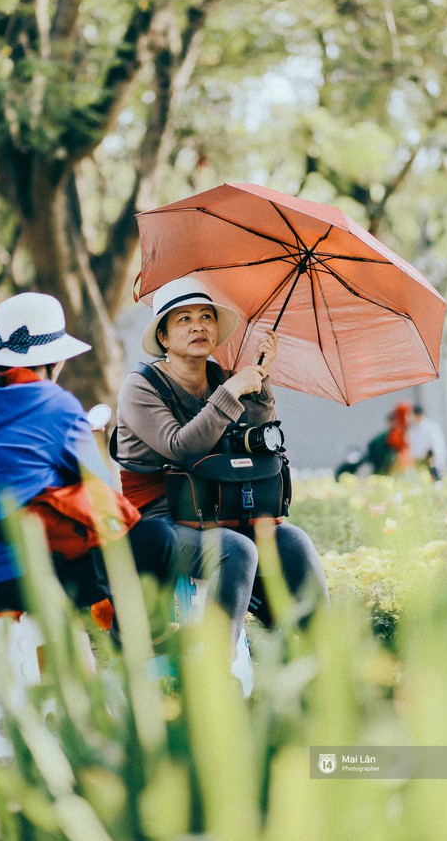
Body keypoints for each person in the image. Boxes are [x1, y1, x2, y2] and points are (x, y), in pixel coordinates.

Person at [0, 292, 178, 642]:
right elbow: (105, 503)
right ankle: (134, 652)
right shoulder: (57, 404)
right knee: (158, 541)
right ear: (55, 361)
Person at [114, 276, 329, 649]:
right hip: (159, 524)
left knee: (293, 541)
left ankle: (326, 666)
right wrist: (230, 392)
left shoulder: (222, 379)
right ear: (163, 337)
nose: (198, 326)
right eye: (183, 319)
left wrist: (259, 382)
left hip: (219, 513)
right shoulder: (141, 387)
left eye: (206, 317)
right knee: (237, 549)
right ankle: (213, 674)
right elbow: (180, 446)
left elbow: (258, 440)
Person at [408, 404, 447, 480]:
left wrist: (437, 461)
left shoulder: (431, 427)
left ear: (418, 415)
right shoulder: (412, 429)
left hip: (431, 462)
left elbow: (438, 446)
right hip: (418, 463)